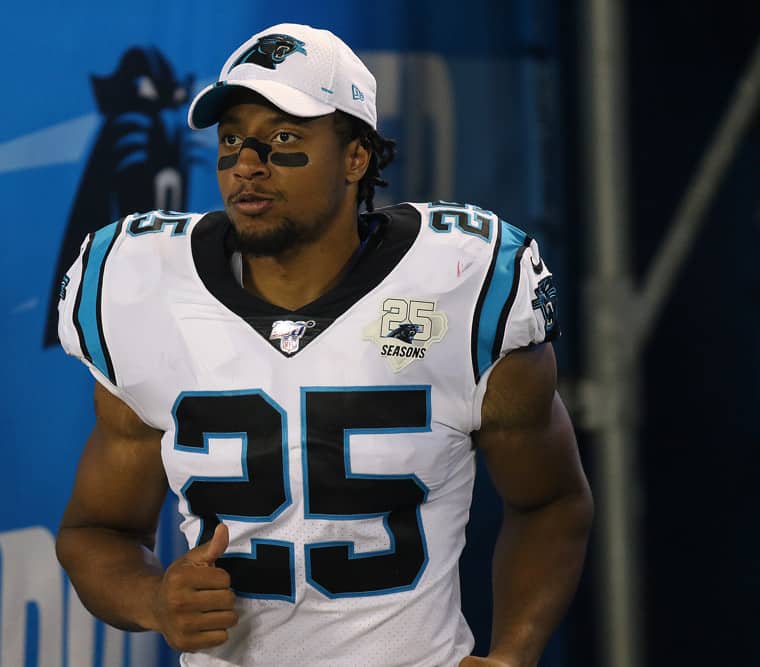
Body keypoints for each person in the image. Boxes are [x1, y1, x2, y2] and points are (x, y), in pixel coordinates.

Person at [55, 22, 593, 667]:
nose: (247, 166)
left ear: (356, 157)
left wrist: (515, 653)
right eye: (232, 141)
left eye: (283, 138)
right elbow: (96, 531)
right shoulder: (143, 287)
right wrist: (154, 599)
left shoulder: (462, 282)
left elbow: (552, 501)